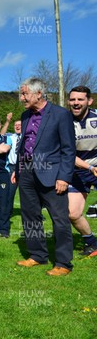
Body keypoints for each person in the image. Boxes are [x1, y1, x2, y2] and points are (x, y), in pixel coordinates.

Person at [14, 77, 75, 276]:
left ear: (38, 93)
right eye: (21, 93)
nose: (21, 97)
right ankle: (37, 255)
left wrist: (64, 177)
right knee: (30, 217)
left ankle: (63, 263)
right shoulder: (25, 116)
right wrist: (18, 169)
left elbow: (68, 149)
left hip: (52, 174)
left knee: (60, 219)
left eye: (25, 93)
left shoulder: (60, 114)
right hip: (27, 173)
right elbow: (23, 145)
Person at [66, 86, 97, 257]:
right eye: (73, 100)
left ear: (89, 101)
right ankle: (91, 242)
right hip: (79, 169)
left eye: (80, 99)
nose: (76, 103)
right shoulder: (64, 122)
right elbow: (68, 154)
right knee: (73, 213)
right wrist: (90, 168)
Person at [0, 113, 22, 232]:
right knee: (10, 193)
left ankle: (36, 214)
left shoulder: (28, 136)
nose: (18, 126)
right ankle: (7, 214)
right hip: (12, 167)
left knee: (30, 194)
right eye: (16, 125)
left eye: (20, 125)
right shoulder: (10, 137)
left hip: (25, 168)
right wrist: (7, 121)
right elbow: (0, 135)